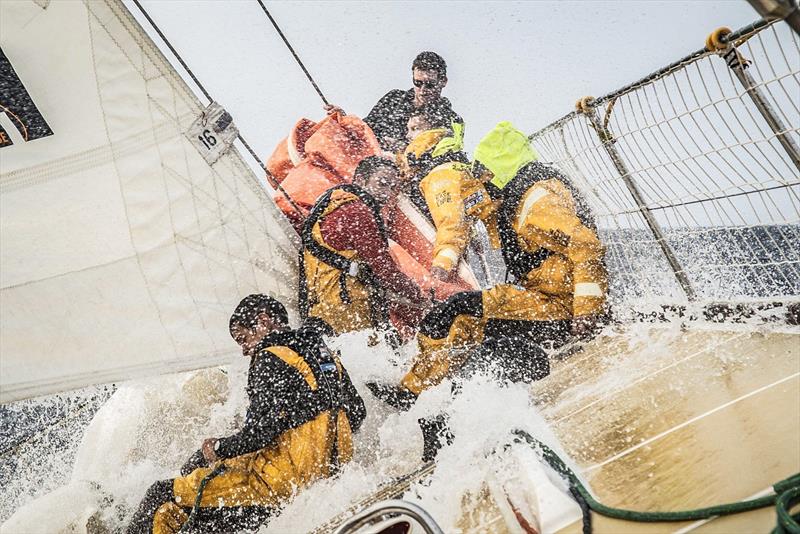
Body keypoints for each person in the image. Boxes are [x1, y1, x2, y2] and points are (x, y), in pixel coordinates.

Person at [371, 121, 607, 410]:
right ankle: (415, 391)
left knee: (457, 313)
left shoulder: (538, 202)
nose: (480, 181)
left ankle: (414, 393)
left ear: (499, 171)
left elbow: (585, 243)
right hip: (545, 298)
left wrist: (586, 312)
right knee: (457, 311)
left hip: (562, 309)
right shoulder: (520, 199)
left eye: (483, 175)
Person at [127, 295, 366, 534]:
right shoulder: (323, 354)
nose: (244, 350)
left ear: (263, 321)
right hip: (325, 477)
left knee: (161, 495)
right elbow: (357, 413)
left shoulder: (269, 356)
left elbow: (260, 434)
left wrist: (217, 448)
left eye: (243, 339)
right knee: (186, 509)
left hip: (275, 487)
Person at [299, 156, 431, 336]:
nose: (387, 194)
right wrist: (420, 297)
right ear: (360, 180)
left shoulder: (332, 206)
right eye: (382, 184)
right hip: (348, 314)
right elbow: (385, 271)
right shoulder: (357, 211)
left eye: (392, 188)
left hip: (324, 312)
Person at [399, 109, 497, 283]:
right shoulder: (451, 165)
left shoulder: (440, 175)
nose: (408, 135)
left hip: (445, 258)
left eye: (414, 128)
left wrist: (442, 265)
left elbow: (452, 223)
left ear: (432, 131)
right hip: (465, 251)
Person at [326, 51, 462, 153]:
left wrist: (404, 149)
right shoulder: (394, 99)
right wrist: (345, 120)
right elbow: (365, 130)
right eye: (418, 83)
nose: (423, 90)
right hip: (377, 170)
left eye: (430, 84)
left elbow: (446, 155)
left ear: (443, 82)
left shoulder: (451, 120)